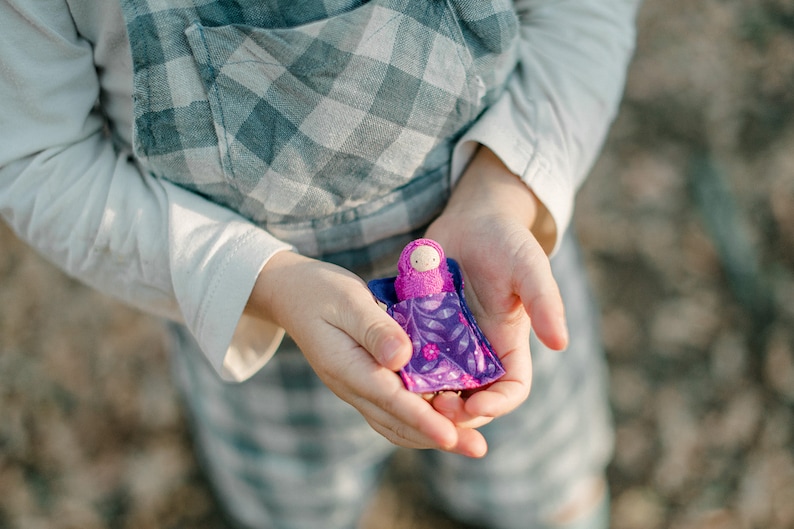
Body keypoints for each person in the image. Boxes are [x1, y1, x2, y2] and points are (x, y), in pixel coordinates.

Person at [0, 0, 641, 528]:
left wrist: (503, 193)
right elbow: (36, 159)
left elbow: (583, 14)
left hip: (496, 286)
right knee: (295, 505)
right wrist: (266, 283)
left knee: (540, 476)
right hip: (256, 317)